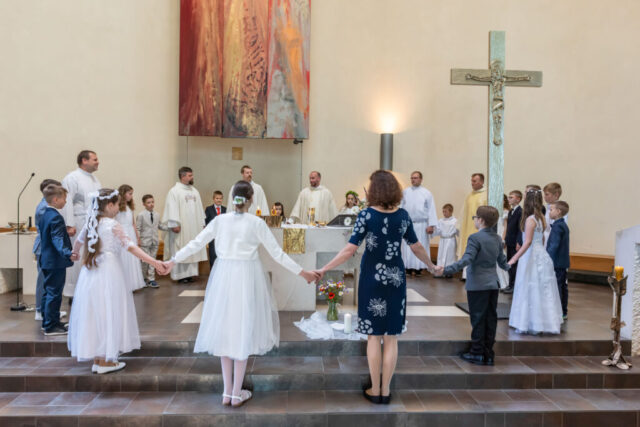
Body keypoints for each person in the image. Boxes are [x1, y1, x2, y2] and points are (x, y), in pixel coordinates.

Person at [161, 181, 317, 407]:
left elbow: (196, 243)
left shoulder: (220, 220)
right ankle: (236, 393)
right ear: (251, 199)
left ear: (232, 198)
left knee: (225, 330)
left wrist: (172, 260)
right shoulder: (256, 223)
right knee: (243, 329)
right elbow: (277, 254)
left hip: (223, 277)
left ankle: (227, 392)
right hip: (246, 278)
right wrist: (303, 273)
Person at [315, 170, 436, 405]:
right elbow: (416, 246)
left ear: (374, 191)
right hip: (396, 279)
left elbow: (350, 249)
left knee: (373, 336)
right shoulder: (403, 216)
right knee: (391, 337)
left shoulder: (366, 215)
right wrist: (431, 266)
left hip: (372, 278)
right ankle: (386, 390)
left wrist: (324, 268)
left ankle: (375, 389)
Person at [68, 188, 166, 374]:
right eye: (117, 204)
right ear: (109, 205)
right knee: (110, 311)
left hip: (90, 273)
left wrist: (74, 253)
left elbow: (78, 242)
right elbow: (131, 247)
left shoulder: (91, 222)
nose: (118, 208)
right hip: (109, 271)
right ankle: (106, 362)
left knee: (96, 312)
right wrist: (154, 262)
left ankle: (98, 359)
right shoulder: (112, 225)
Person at [435, 206, 509, 366]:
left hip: (478, 285)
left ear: (480, 220)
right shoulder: (497, 238)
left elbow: (467, 259)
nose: (474, 220)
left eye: (475, 217)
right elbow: (502, 262)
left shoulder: (475, 238)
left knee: (478, 319)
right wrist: (512, 266)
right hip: (493, 284)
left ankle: (476, 353)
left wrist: (446, 270)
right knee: (490, 319)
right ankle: (488, 353)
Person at [507, 189, 563, 334]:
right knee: (541, 289)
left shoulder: (530, 220)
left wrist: (514, 258)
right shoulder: (541, 218)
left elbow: (527, 242)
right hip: (541, 254)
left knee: (529, 287)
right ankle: (544, 322)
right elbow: (542, 239)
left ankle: (528, 321)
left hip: (530, 256)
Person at [60, 150, 101, 303]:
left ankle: (88, 290)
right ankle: (74, 292)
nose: (98, 162)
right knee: (77, 256)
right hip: (78, 222)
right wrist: (69, 224)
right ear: (84, 160)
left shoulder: (95, 179)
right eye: (95, 159)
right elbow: (66, 201)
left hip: (93, 223)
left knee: (90, 255)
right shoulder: (72, 178)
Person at [38, 185, 76, 336]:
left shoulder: (45, 214)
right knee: (54, 293)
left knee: (48, 292)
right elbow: (57, 238)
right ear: (55, 199)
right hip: (54, 261)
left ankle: (48, 322)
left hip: (46, 259)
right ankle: (51, 326)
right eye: (64, 199)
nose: (65, 202)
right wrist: (68, 253)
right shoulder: (55, 217)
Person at [162, 167, 207, 283]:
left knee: (192, 247)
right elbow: (171, 208)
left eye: (192, 175)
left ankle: (190, 275)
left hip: (193, 227)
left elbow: (200, 210)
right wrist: (174, 224)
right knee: (181, 248)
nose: (192, 177)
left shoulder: (195, 191)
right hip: (181, 228)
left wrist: (202, 224)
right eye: (190, 175)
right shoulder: (174, 191)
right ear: (183, 176)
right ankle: (180, 276)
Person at [33, 179, 66, 322]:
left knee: (50, 282)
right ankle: (40, 310)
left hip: (48, 246)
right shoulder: (43, 208)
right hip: (44, 247)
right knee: (44, 281)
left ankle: (49, 310)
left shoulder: (47, 206)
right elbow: (48, 230)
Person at [400, 171, 438, 277]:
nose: (413, 180)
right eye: (412, 178)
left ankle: (419, 269)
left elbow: (431, 209)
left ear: (421, 179)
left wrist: (431, 225)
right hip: (408, 223)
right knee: (407, 247)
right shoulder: (405, 192)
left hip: (421, 224)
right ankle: (407, 267)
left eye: (415, 178)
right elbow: (401, 207)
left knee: (420, 245)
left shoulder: (426, 193)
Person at [115, 185, 145, 292]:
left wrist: (137, 237)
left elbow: (133, 223)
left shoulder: (130, 207)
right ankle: (123, 284)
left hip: (131, 233)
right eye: (130, 194)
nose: (131, 196)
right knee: (124, 257)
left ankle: (133, 283)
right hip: (122, 232)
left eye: (132, 194)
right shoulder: (117, 206)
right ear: (123, 194)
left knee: (132, 258)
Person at [458, 173, 487, 280]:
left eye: (474, 181)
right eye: (472, 181)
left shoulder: (486, 195)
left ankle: (477, 275)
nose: (472, 183)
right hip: (468, 228)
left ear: (481, 182)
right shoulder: (469, 196)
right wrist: (459, 225)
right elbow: (463, 213)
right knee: (468, 249)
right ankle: (466, 275)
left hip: (480, 229)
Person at [547, 201, 570, 320]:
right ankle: (563, 311)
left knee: (557, 287)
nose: (549, 212)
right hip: (562, 262)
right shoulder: (562, 224)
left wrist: (547, 259)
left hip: (556, 262)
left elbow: (554, 246)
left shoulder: (557, 226)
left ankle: (558, 311)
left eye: (551, 210)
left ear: (558, 211)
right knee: (562, 286)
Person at [136, 194, 165, 289]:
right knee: (144, 262)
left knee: (153, 261)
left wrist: (170, 227)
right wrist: (138, 239)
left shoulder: (157, 215)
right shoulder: (141, 215)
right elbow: (138, 228)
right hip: (144, 242)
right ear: (144, 204)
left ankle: (151, 279)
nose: (151, 204)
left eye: (152, 202)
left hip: (154, 241)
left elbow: (160, 226)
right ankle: (143, 279)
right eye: (148, 202)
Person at [502, 190, 522, 294]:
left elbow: (520, 228)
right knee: (509, 263)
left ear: (518, 199)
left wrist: (519, 241)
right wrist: (505, 240)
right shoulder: (510, 211)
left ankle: (514, 285)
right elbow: (508, 228)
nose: (509, 199)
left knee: (514, 265)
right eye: (508, 197)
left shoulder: (520, 212)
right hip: (509, 241)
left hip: (515, 243)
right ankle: (510, 284)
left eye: (511, 197)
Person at [433, 203, 458, 277]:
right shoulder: (441, 221)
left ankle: (449, 272)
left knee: (449, 256)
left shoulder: (455, 221)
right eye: (443, 211)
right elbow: (437, 230)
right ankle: (439, 271)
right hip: (443, 240)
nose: (444, 213)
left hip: (450, 240)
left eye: (445, 211)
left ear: (451, 211)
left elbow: (458, 231)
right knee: (441, 255)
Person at [204, 191, 226, 268]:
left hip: (223, 237)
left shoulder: (225, 209)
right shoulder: (208, 209)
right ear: (213, 199)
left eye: (220, 198)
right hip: (213, 237)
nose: (219, 200)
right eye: (217, 198)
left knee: (222, 256)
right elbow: (205, 222)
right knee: (213, 256)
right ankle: (213, 273)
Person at [496, 194, 510, 290]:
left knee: (501, 258)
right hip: (496, 235)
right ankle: (499, 282)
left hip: (501, 236)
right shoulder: (497, 212)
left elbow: (505, 227)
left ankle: (505, 282)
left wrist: (503, 239)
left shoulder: (506, 212)